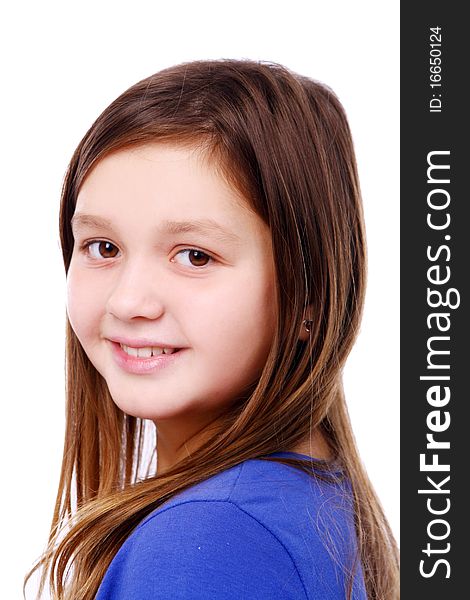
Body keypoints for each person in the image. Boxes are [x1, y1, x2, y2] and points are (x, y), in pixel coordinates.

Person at [25, 59, 399, 599]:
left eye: (195, 256)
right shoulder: (306, 502)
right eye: (102, 248)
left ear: (310, 297)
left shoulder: (210, 540)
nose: (128, 300)